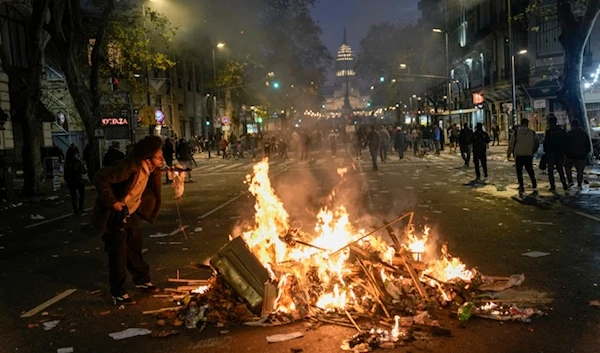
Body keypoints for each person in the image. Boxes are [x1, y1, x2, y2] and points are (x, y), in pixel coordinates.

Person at [92, 136, 164, 305]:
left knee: (135, 244)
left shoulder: (151, 169)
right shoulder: (128, 167)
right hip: (115, 214)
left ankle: (141, 279)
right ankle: (118, 291)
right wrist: (113, 202)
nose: (162, 159)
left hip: (129, 212)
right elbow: (101, 178)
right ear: (148, 158)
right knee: (118, 252)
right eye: (159, 157)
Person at [507, 118, 538, 194]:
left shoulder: (516, 132)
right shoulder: (532, 133)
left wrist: (508, 154)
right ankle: (534, 182)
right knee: (530, 169)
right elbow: (537, 143)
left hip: (519, 155)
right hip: (528, 155)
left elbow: (511, 144)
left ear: (521, 124)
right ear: (527, 124)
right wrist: (533, 151)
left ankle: (521, 185)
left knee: (519, 171)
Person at [543, 115, 568, 191]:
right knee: (560, 168)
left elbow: (546, 142)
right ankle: (564, 184)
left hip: (551, 153)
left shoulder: (549, 131)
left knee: (550, 170)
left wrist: (545, 151)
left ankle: (553, 186)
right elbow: (565, 141)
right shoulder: (561, 130)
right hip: (560, 152)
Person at [565, 119, 591, 188]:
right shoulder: (584, 133)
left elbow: (565, 144)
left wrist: (566, 153)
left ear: (572, 125)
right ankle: (579, 183)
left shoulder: (568, 134)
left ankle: (570, 181)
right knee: (580, 171)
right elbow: (588, 146)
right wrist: (585, 153)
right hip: (581, 155)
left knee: (568, 168)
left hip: (570, 155)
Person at [64, 148, 87, 214]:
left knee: (73, 196)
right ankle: (81, 208)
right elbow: (83, 171)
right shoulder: (77, 161)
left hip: (70, 181)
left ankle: (75, 209)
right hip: (78, 180)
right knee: (81, 194)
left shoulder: (67, 162)